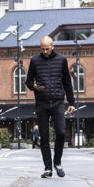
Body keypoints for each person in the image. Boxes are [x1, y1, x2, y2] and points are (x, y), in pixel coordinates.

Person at [25, 35, 75, 178]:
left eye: (47, 49)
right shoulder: (34, 61)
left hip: (58, 102)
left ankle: (57, 162)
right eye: (42, 49)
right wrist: (33, 86)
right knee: (44, 137)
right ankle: (48, 168)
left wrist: (71, 103)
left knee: (60, 132)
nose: (45, 51)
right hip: (41, 103)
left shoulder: (61, 60)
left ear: (53, 46)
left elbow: (67, 83)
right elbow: (28, 81)